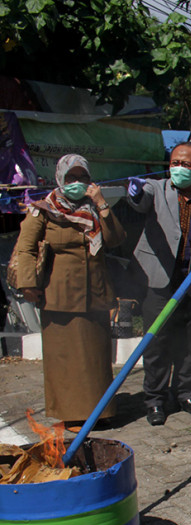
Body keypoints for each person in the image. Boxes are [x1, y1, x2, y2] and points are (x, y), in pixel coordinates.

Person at [15, 154, 125, 427]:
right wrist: (28, 285)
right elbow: (26, 248)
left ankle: (99, 414)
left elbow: (115, 240)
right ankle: (71, 415)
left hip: (95, 294)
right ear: (60, 179)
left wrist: (102, 204)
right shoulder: (43, 209)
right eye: (71, 178)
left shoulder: (95, 208)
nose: (76, 183)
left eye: (82, 177)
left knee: (95, 358)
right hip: (58, 295)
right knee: (65, 360)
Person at [126, 142, 191, 426]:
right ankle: (155, 400)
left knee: (188, 343)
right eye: (174, 163)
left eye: (186, 164)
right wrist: (134, 192)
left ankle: (184, 393)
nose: (179, 169)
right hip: (161, 280)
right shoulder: (156, 189)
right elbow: (140, 200)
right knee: (157, 343)